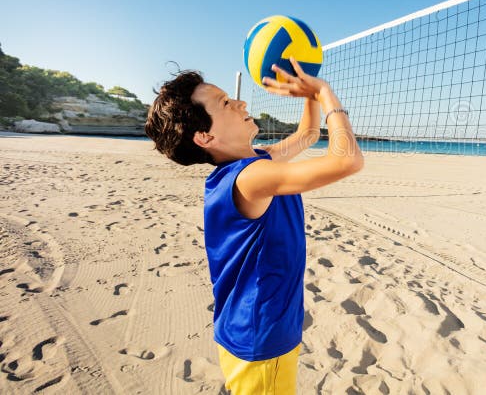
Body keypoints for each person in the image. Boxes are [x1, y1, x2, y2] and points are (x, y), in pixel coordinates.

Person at [144, 57, 363, 394]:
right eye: (225, 103)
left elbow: (307, 135)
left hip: (256, 325)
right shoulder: (249, 177)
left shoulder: (255, 162)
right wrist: (324, 92)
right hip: (260, 335)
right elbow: (347, 160)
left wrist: (306, 91)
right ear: (205, 136)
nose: (241, 102)